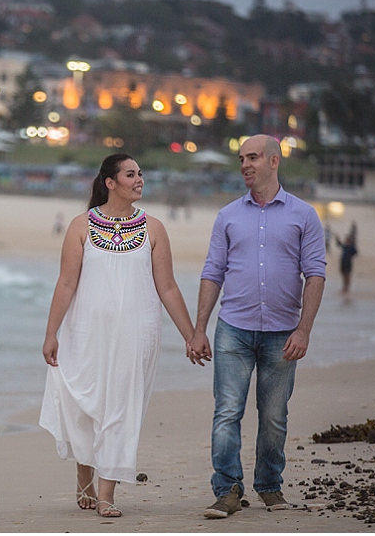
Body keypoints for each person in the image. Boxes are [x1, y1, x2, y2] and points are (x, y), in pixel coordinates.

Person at [40, 153, 203, 519]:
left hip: (137, 334)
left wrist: (191, 335)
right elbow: (67, 283)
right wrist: (51, 332)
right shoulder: (81, 226)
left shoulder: (154, 229)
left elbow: (168, 288)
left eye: (141, 174)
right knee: (83, 405)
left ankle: (106, 491)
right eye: (131, 174)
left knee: (121, 409)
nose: (139, 179)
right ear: (110, 182)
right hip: (85, 333)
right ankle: (84, 472)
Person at [189, 135, 326, 519]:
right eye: (241, 159)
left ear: (273, 161)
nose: (245, 164)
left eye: (252, 158)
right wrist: (199, 328)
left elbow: (315, 274)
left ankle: (269, 485)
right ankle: (227, 490)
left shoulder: (304, 215)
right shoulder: (228, 215)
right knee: (227, 411)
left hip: (283, 333)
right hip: (233, 328)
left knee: (273, 415)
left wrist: (304, 330)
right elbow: (212, 273)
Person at [335, 227, 358, 294]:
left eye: (348, 240)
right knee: (343, 275)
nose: (347, 241)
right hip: (343, 263)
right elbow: (339, 244)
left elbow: (356, 253)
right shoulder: (345, 246)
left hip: (348, 263)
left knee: (347, 275)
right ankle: (344, 287)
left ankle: (347, 288)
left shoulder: (351, 247)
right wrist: (337, 238)